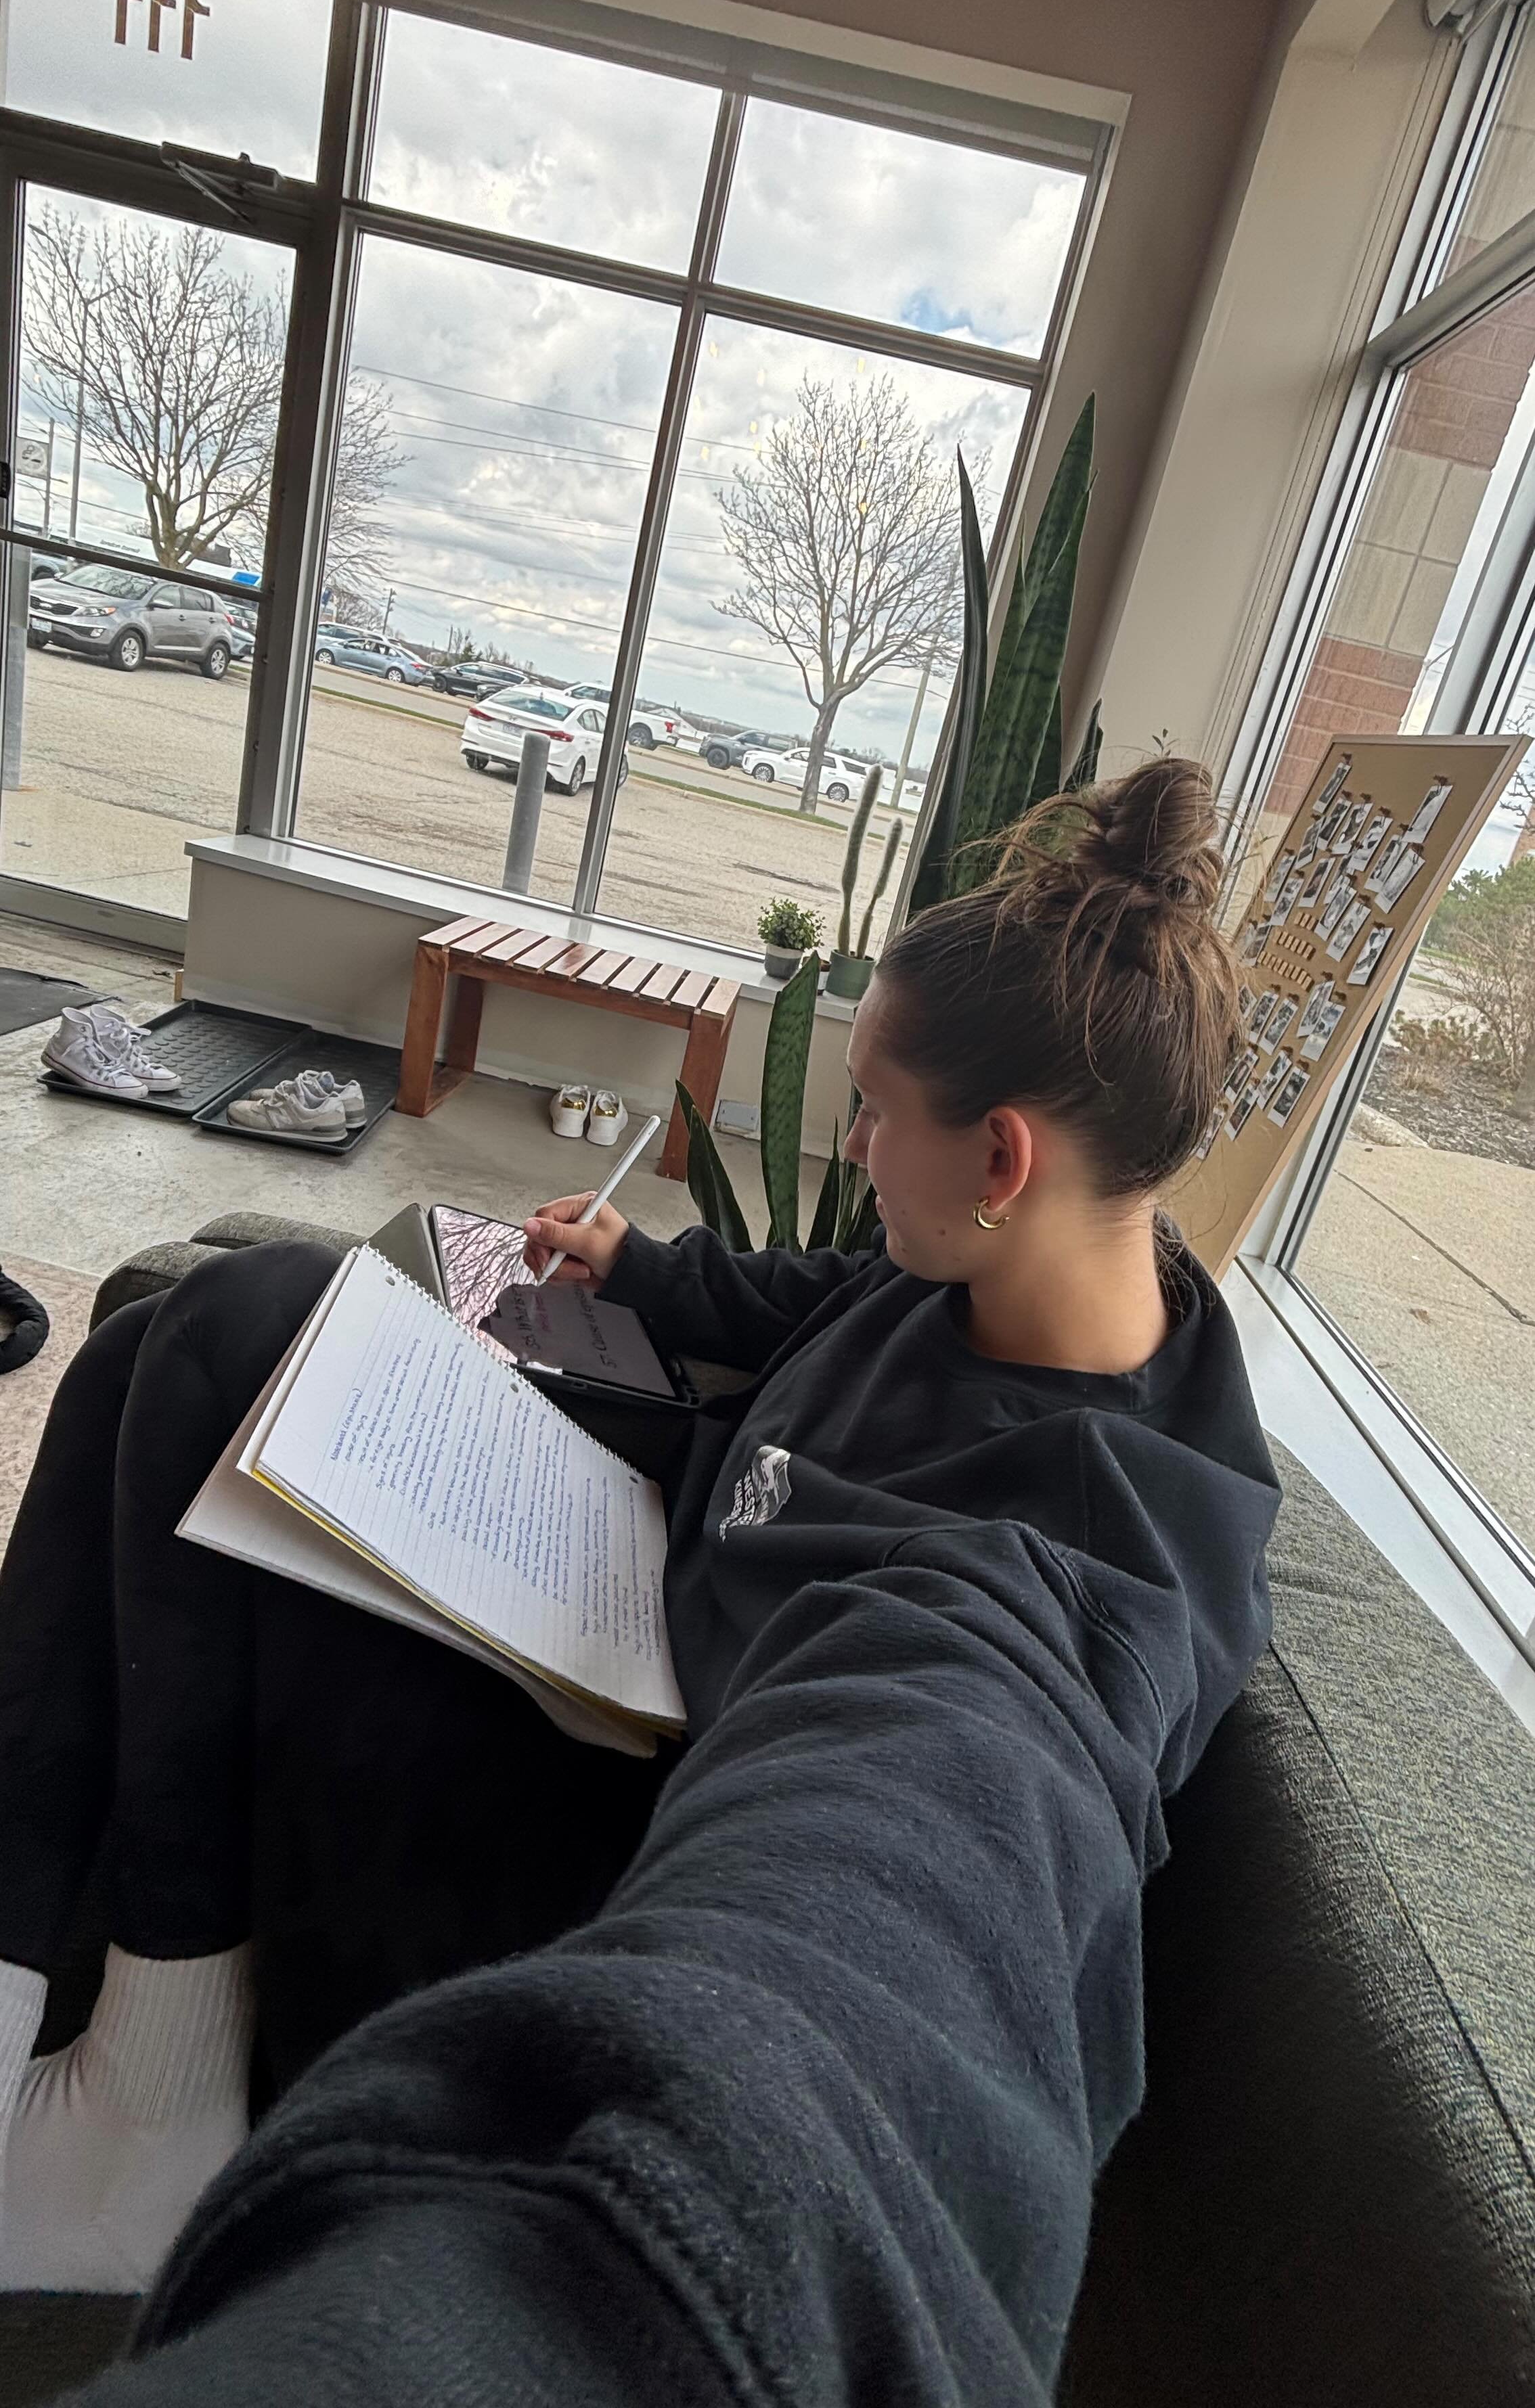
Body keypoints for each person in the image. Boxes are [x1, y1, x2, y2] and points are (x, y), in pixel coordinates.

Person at [0, 758, 1280, 2353]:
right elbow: (828, 1300)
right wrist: (649, 1271)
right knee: (177, 1340)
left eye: (875, 1113)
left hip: (618, 1843)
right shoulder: (1032, 1268)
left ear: (1002, 1159)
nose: (856, 1144)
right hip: (612, 1601)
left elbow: (924, 1831)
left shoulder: (1063, 1567)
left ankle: (154, 2115)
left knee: (219, 1343)